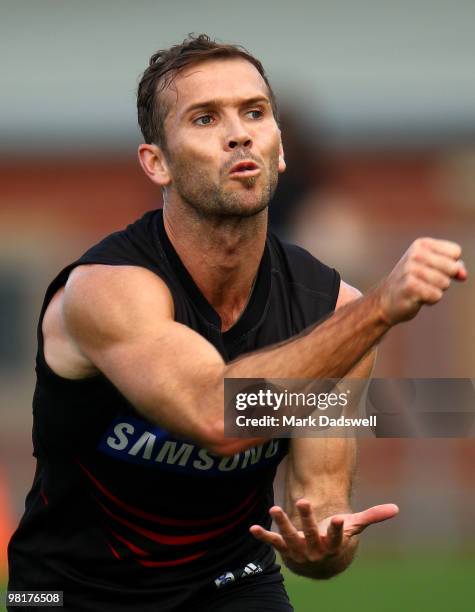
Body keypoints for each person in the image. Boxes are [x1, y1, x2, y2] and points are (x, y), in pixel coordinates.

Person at [7, 34, 467, 612]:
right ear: (158, 163)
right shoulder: (106, 289)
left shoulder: (332, 312)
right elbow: (216, 416)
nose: (239, 132)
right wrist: (380, 308)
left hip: (233, 584)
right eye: (204, 118)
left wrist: (320, 548)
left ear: (278, 150)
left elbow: (319, 505)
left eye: (255, 112)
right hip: (70, 592)